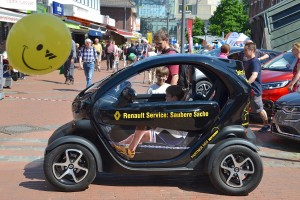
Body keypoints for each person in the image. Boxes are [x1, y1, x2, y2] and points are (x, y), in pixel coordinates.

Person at [112, 85, 186, 158]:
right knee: (140, 136)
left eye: (167, 96)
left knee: (144, 121)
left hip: (175, 136)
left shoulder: (175, 108)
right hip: (172, 133)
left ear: (174, 97)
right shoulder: (174, 105)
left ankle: (131, 150)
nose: (165, 98)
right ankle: (117, 147)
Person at [243, 42, 270, 133]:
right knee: (246, 107)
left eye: (246, 50)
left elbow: (254, 75)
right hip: (249, 89)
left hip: (255, 90)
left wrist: (246, 84)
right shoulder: (248, 61)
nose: (244, 52)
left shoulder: (255, 61)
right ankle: (244, 124)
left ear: (252, 50)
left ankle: (266, 125)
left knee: (259, 109)